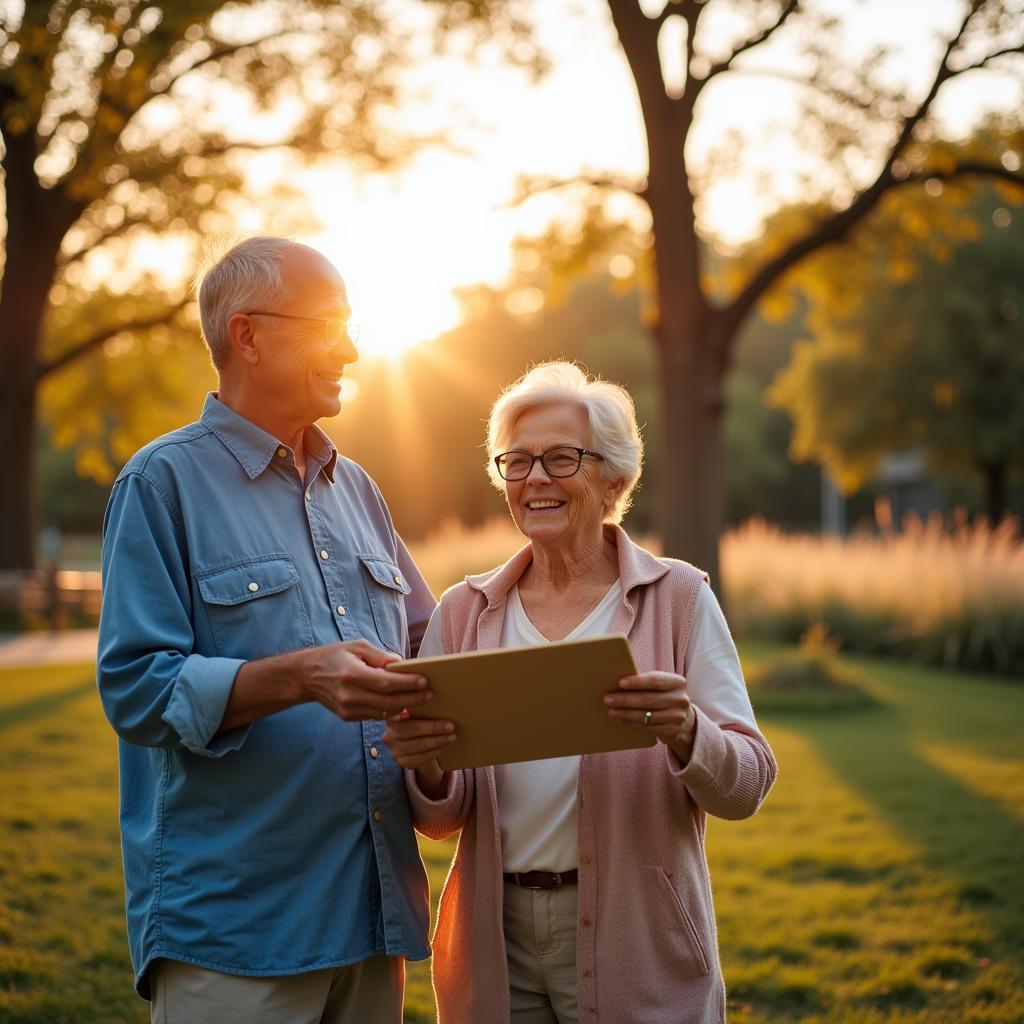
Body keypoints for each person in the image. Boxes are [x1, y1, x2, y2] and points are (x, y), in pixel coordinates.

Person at [97, 236, 436, 1023]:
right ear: (248, 336)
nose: (351, 349)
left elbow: (433, 643)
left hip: (374, 915)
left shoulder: (358, 490)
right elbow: (136, 689)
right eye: (331, 325)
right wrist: (299, 676)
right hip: (238, 931)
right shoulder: (160, 484)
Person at [384, 361, 778, 1024]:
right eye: (518, 462)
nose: (535, 478)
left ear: (613, 480)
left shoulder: (679, 599)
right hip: (494, 936)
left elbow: (747, 785)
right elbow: (440, 818)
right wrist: (423, 759)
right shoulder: (463, 611)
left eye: (561, 459)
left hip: (639, 932)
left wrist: (686, 730)